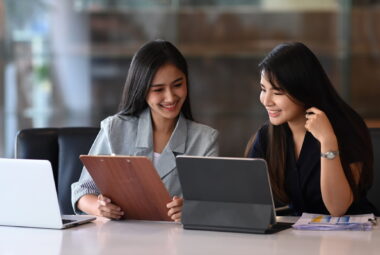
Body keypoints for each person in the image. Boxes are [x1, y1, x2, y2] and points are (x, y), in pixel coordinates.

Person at [72, 39, 218, 221]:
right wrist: (99, 207)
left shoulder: (205, 139)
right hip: (120, 241)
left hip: (176, 244)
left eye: (178, 85)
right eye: (158, 89)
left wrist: (192, 210)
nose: (170, 97)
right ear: (142, 90)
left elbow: (214, 204)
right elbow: (83, 191)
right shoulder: (115, 128)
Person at [245, 42, 378, 217]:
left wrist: (328, 141)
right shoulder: (267, 136)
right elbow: (248, 199)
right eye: (263, 89)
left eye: (277, 92)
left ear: (302, 90)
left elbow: (338, 208)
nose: (267, 100)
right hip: (296, 236)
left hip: (351, 235)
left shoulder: (346, 127)